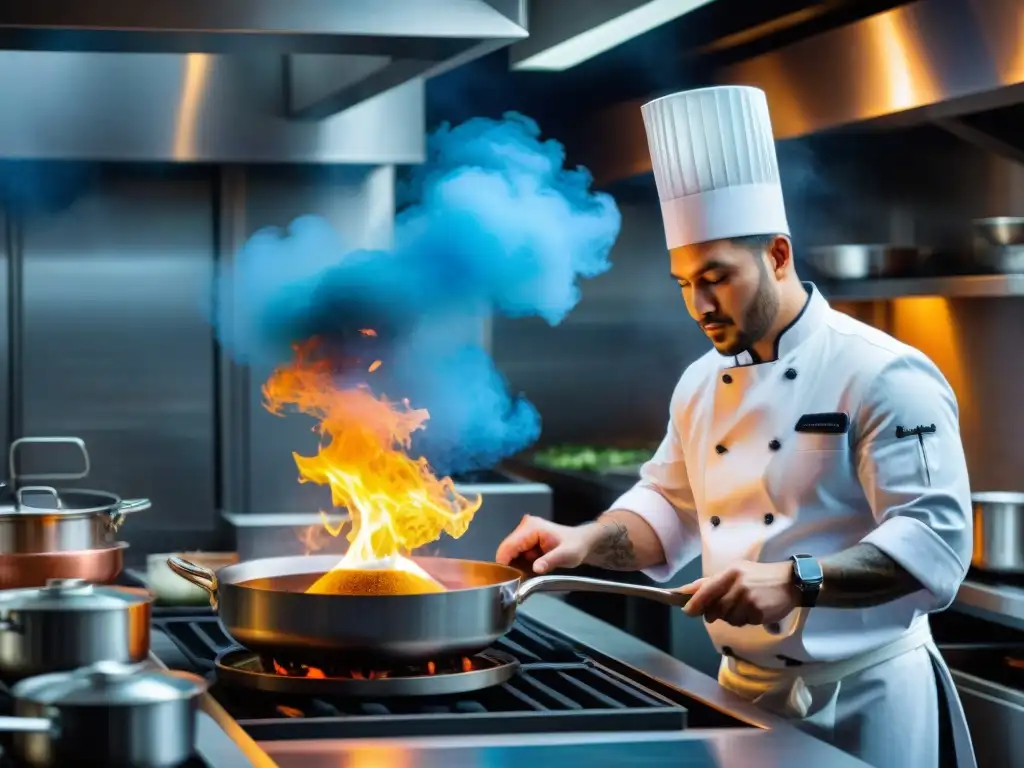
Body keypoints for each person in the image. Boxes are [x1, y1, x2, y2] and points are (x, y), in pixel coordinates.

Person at [496, 85, 976, 768]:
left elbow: (935, 543)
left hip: (864, 703)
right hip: (743, 701)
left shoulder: (882, 372)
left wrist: (796, 579)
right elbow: (668, 508)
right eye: (684, 283)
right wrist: (582, 541)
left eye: (716, 277)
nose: (699, 304)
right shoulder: (700, 382)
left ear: (778, 255)